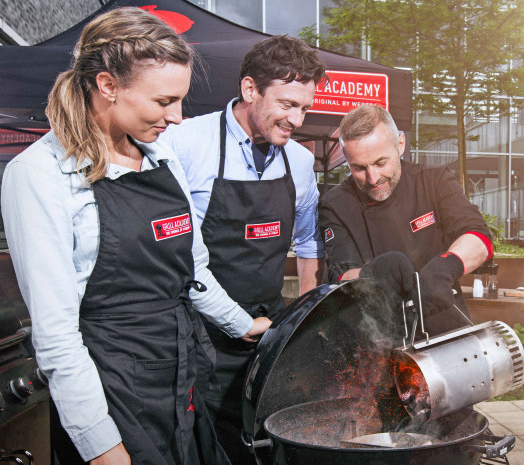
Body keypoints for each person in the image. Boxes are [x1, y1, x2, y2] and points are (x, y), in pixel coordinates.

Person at [1, 8, 270, 464]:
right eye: (164, 101)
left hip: (180, 381)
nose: (179, 117)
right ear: (108, 86)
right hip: (112, 396)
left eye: (180, 100)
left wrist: (244, 325)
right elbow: (57, 337)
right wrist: (101, 446)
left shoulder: (162, 159)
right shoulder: (39, 174)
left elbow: (192, 271)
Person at [159, 35, 326, 464]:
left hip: (268, 332)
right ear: (250, 89)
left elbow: (308, 242)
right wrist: (237, 322)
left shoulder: (301, 163)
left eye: (304, 108)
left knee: (265, 443)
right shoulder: (185, 143)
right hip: (201, 338)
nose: (297, 119)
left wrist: (303, 313)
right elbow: (180, 257)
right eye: (287, 104)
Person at [319, 105, 493, 335]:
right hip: (373, 335)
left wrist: (445, 267)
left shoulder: (433, 181)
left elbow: (479, 237)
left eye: (381, 163)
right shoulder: (336, 203)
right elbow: (340, 274)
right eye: (358, 168)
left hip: (443, 326)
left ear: (400, 144)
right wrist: (370, 275)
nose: (373, 178)